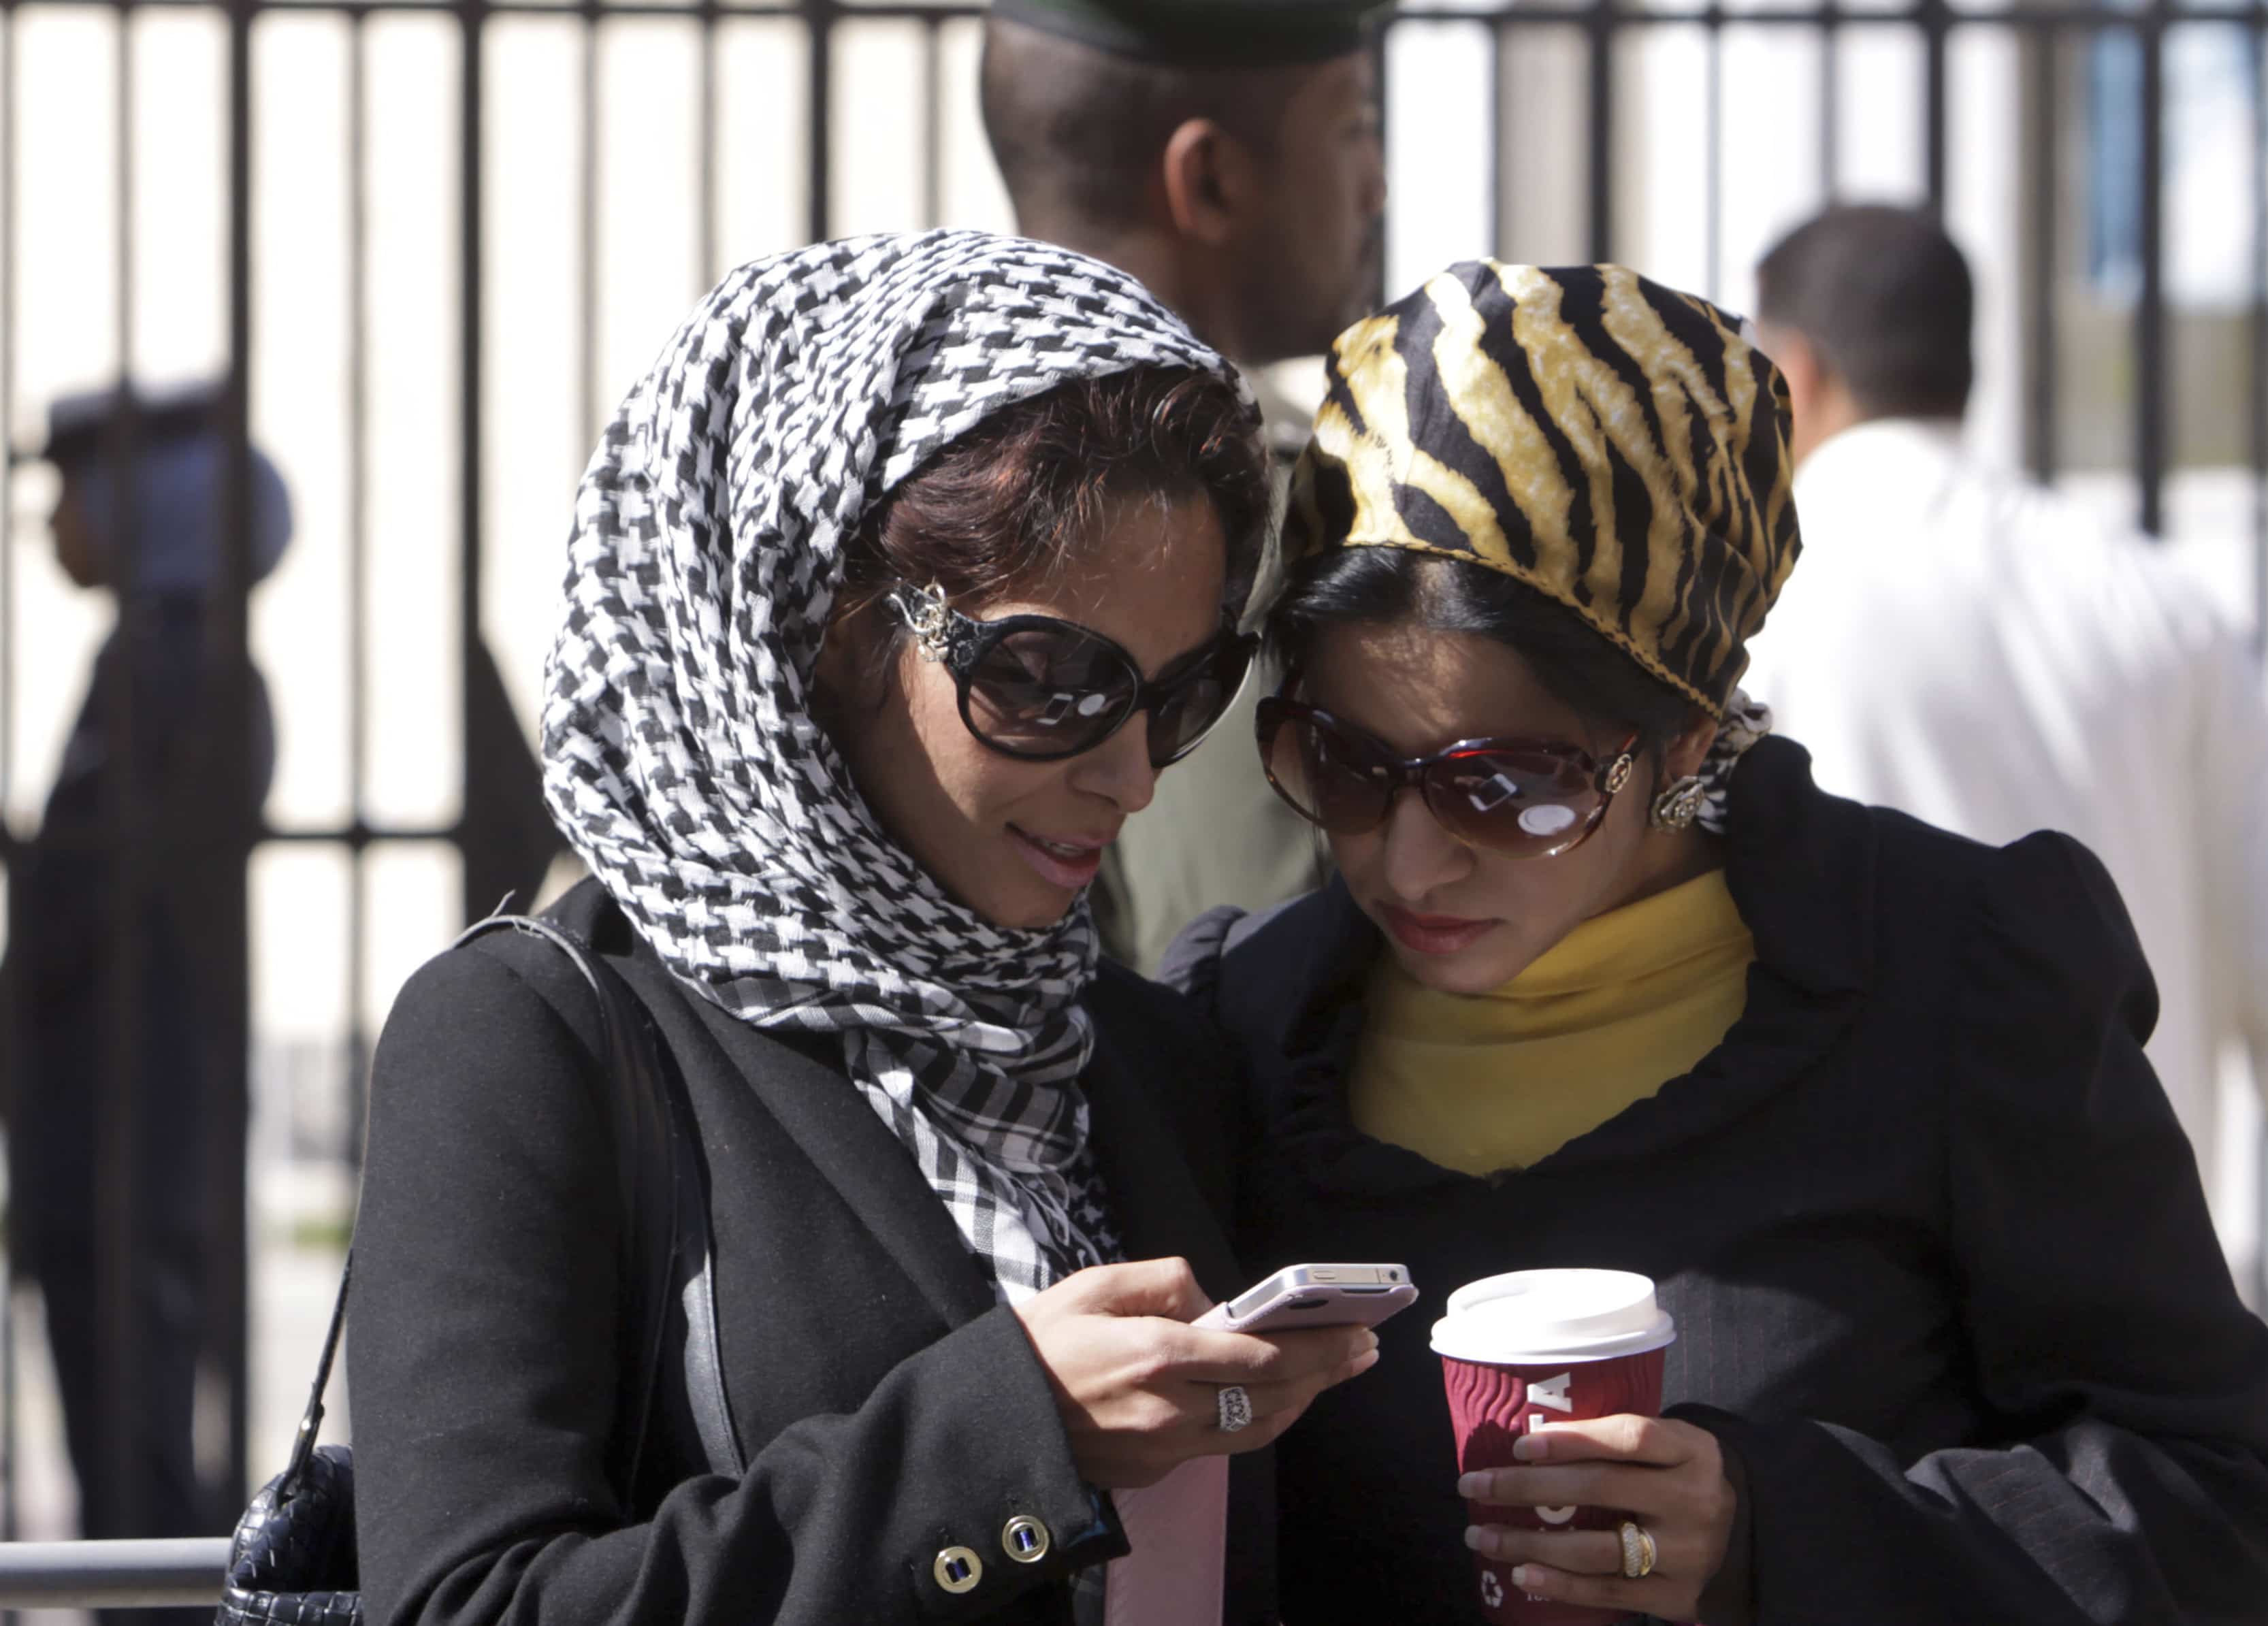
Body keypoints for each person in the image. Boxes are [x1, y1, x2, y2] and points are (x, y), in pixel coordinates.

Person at [1163, 261, 2268, 1623]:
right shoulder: (1243, 1025)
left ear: (1685, 736)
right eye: (1338, 761)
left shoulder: (1954, 977)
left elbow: (2217, 1501)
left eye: (1509, 787)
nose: (1408, 856)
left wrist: (1769, 1532)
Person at [349, 231, 1380, 1626]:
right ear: (814, 620)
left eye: (1178, 695)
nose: (1130, 774)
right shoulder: (537, 1042)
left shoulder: (1145, 1059)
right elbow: (464, 1605)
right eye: (1046, 678)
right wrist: (1010, 1438)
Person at [1738, 204, 2268, 1272]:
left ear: (1792, 369)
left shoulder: (1756, 605)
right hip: (2151, 1261)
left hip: (1867, 1270)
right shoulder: (2168, 603)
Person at [979, 0, 1392, 972]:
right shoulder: (1222, 514)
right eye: (1353, 130)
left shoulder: (924, 481)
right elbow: (1237, 964)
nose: (1376, 186)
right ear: (1209, 177)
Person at [3, 383, 291, 1614]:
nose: (54, 524)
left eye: (73, 494)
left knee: (137, 1471)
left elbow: (90, 896)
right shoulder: (169, 662)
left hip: (126, 1136)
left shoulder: (172, 671)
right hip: (124, 1134)